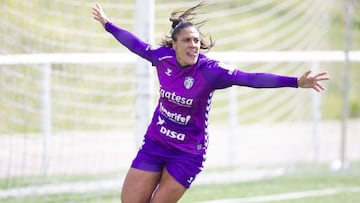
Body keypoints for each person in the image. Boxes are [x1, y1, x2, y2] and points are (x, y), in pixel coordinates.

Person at [92, 2, 329, 203]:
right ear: (174, 44)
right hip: (155, 143)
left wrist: (296, 82)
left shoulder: (211, 71)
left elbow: (250, 78)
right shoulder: (162, 58)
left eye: (196, 40)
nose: (193, 45)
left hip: (187, 153)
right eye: (186, 40)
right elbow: (136, 45)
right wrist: (107, 24)